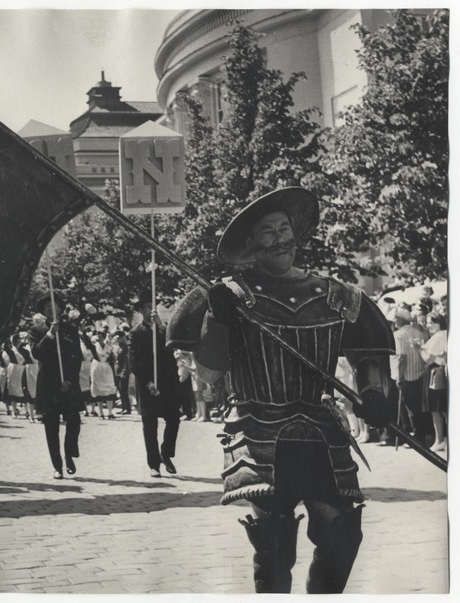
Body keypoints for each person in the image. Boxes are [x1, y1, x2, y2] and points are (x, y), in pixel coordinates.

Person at [167, 187, 394, 593]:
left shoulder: (335, 296)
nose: (279, 238)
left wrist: (373, 395)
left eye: (284, 228)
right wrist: (218, 320)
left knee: (342, 534)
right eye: (268, 232)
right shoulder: (229, 297)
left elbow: (369, 356)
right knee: (273, 544)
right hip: (260, 431)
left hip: (322, 432)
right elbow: (210, 373)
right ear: (250, 244)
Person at [29, 294, 84, 479]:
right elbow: (36, 353)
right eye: (46, 307)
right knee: (51, 427)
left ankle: (69, 453)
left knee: (74, 421)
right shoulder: (36, 331)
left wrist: (69, 380)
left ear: (61, 309)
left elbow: (77, 357)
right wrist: (50, 334)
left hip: (67, 383)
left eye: (54, 306)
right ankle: (57, 465)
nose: (51, 310)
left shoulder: (70, 328)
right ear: (43, 312)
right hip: (48, 384)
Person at [129, 289, 181, 478]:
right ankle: (153, 464)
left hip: (167, 384)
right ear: (141, 310)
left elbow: (172, 346)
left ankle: (166, 454)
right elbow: (133, 362)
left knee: (174, 419)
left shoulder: (163, 328)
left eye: (154, 306)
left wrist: (161, 325)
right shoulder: (136, 333)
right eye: (148, 307)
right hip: (148, 385)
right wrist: (147, 382)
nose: (152, 310)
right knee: (150, 426)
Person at [390, 305, 429, 445]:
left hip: (407, 375)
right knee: (418, 407)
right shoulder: (418, 332)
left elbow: (401, 358)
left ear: (401, 321)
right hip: (419, 374)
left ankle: (416, 438)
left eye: (396, 319)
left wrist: (399, 377)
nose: (394, 322)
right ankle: (420, 435)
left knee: (410, 407)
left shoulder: (399, 335)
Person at [419, 313, 447, 452]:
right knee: (442, 409)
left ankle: (440, 439)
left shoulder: (438, 336)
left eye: (430, 322)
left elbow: (428, 359)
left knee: (436, 408)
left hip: (435, 372)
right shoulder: (444, 334)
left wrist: (419, 349)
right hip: (441, 371)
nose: (427, 325)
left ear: (438, 322)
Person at [111, 331, 132, 414]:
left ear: (123, 338)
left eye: (119, 338)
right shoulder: (116, 347)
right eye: (116, 338)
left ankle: (127, 408)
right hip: (117, 370)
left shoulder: (126, 347)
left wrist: (125, 371)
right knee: (120, 390)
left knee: (124, 390)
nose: (117, 339)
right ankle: (124, 407)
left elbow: (127, 361)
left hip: (123, 371)